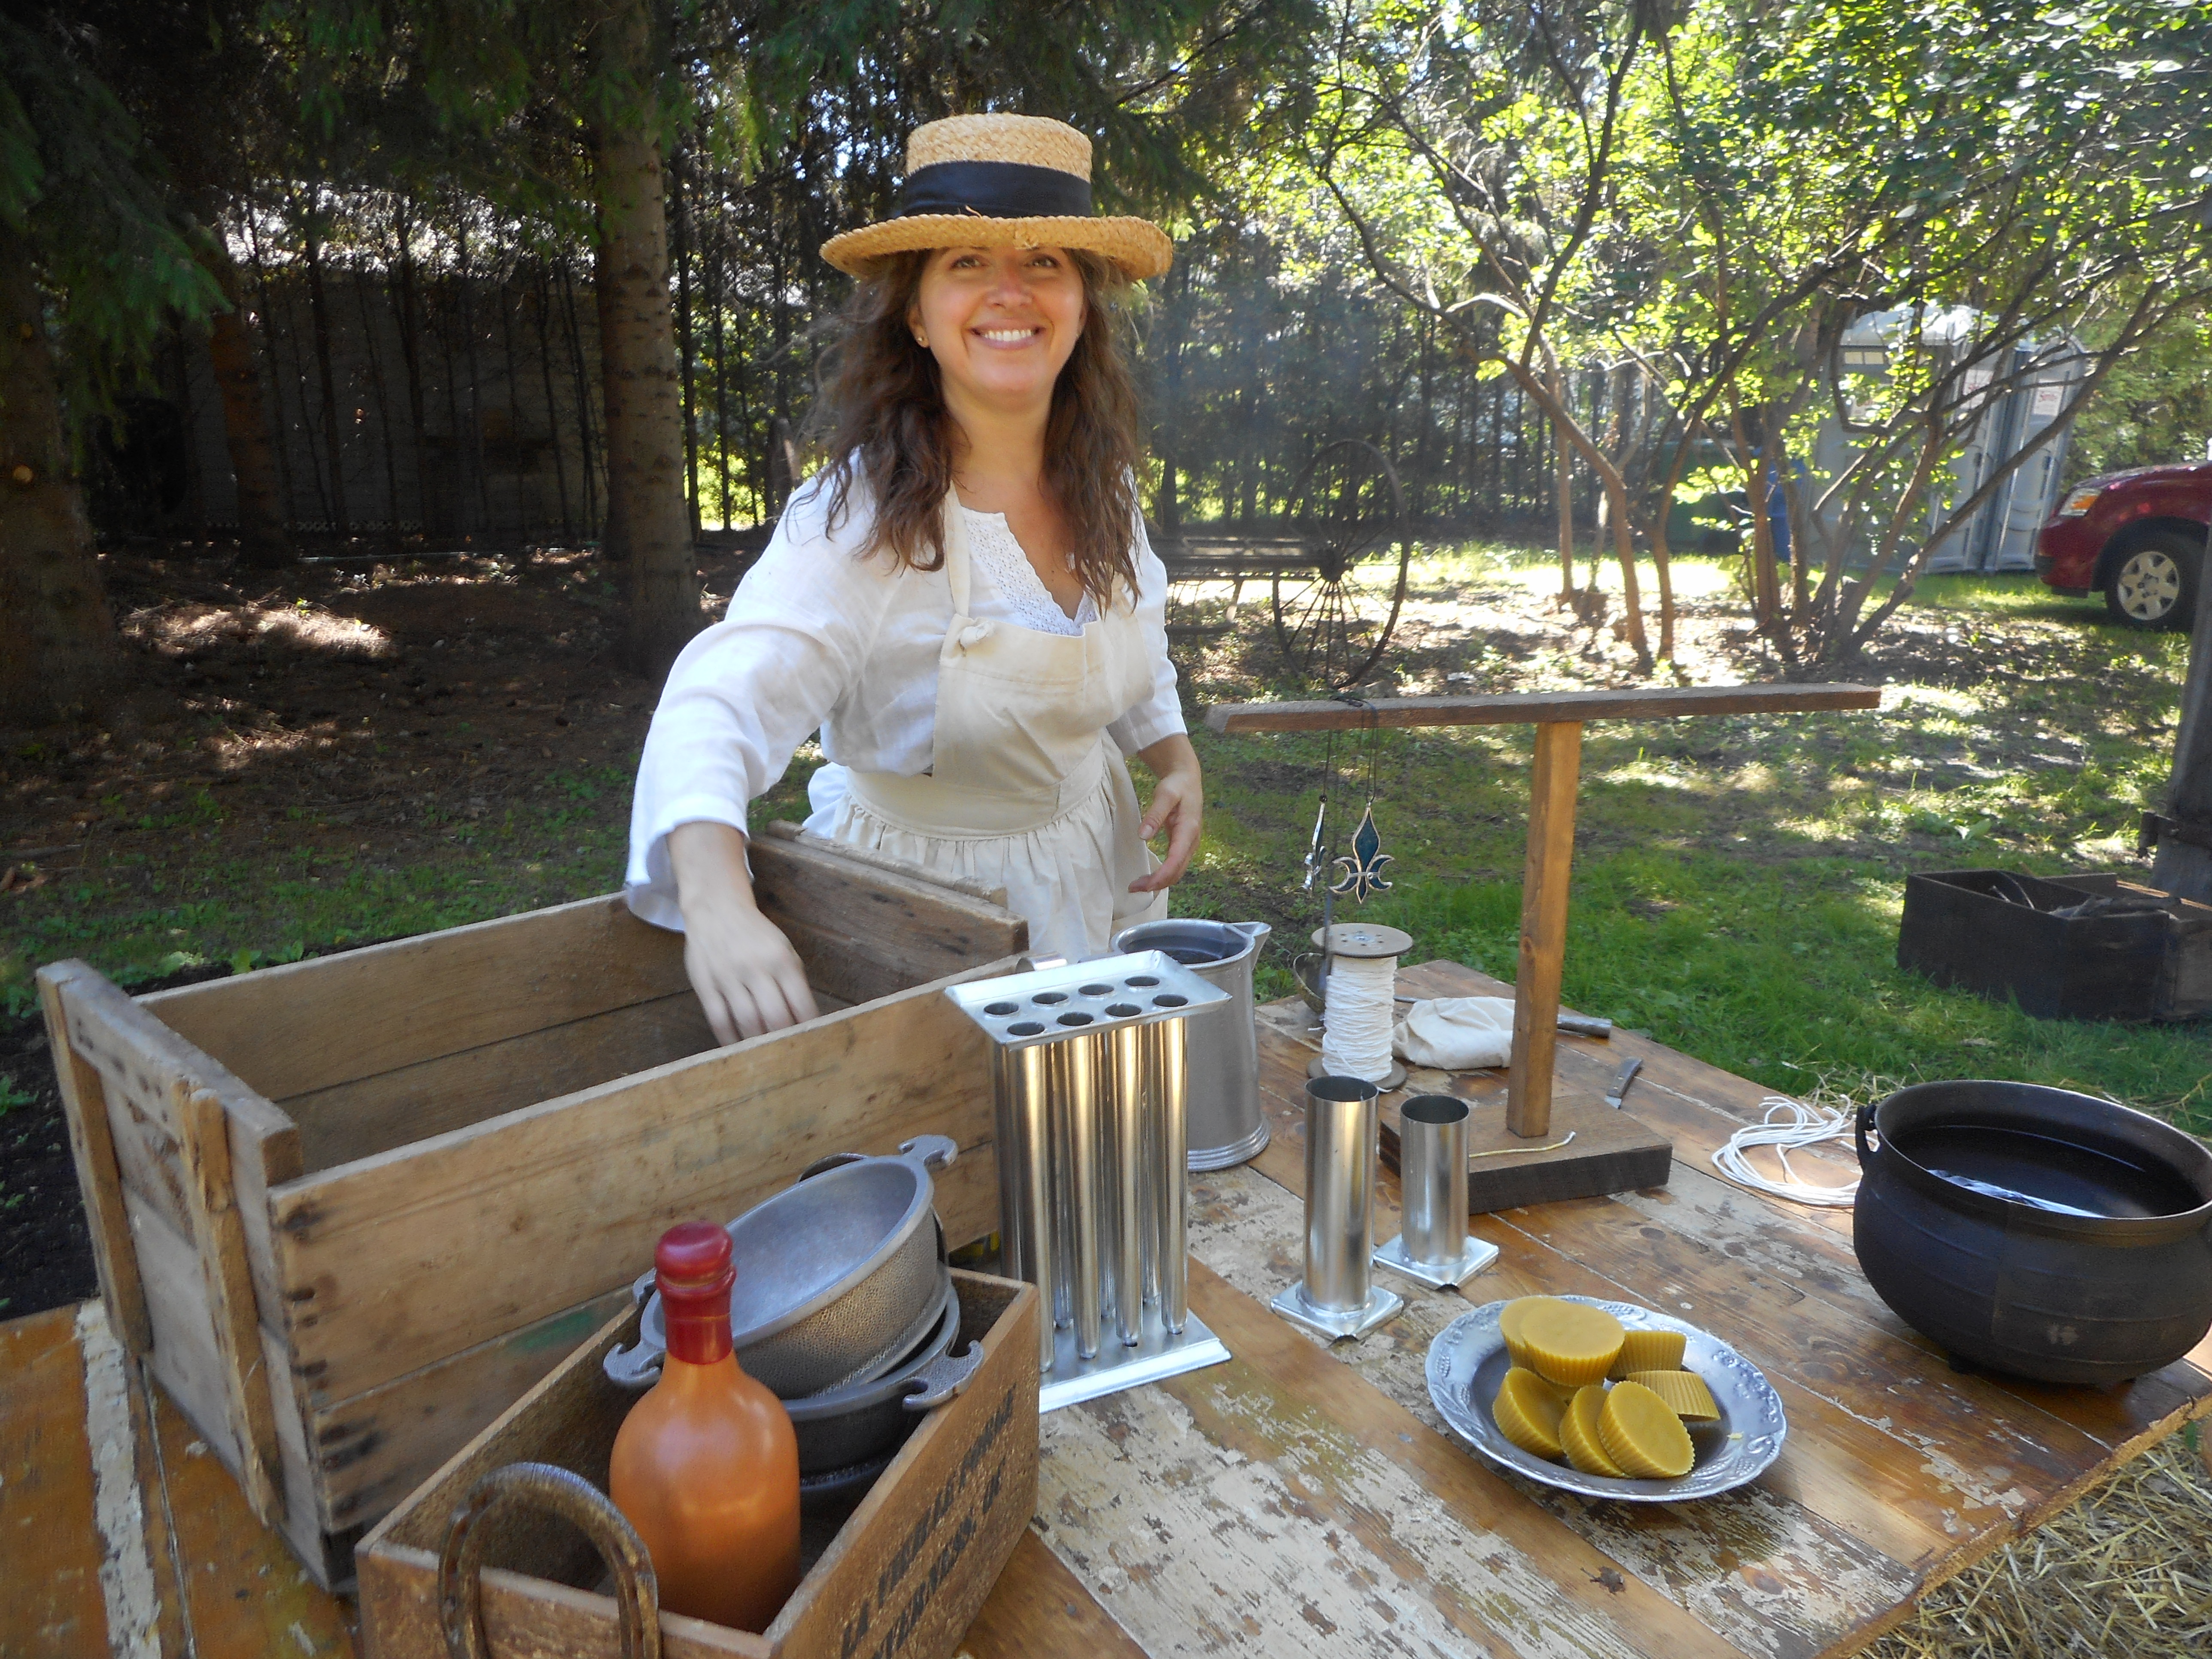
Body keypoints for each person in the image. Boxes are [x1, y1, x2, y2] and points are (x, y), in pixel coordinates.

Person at [626, 114, 1202, 1045]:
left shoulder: (1104, 487)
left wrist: (1172, 758)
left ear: (1082, 303)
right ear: (914, 312)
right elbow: (717, 703)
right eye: (966, 262)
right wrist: (718, 899)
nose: (1009, 290)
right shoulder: (862, 517)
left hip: (1092, 869)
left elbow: (1133, 638)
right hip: (924, 912)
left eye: (1045, 261)